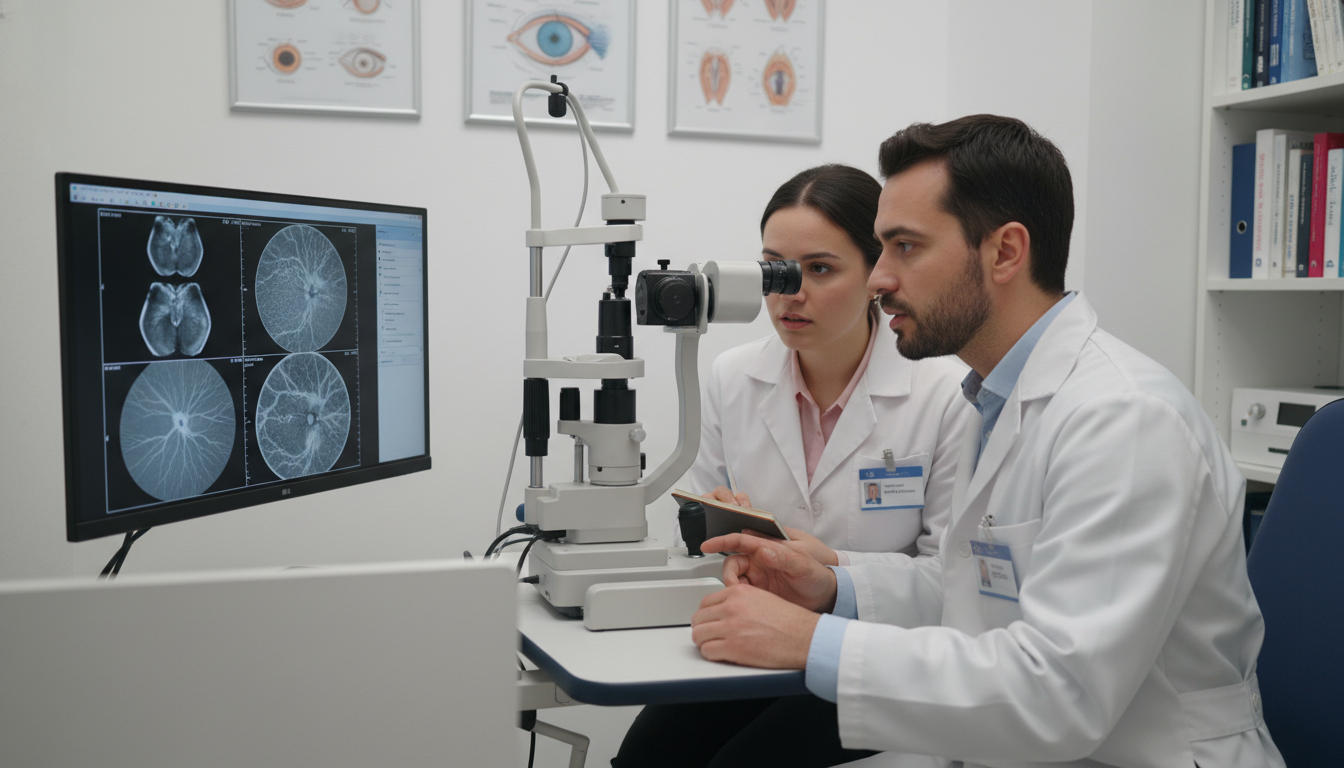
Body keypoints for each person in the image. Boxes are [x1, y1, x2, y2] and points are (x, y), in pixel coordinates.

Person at [688, 115, 1283, 767]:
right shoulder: (997, 397)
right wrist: (833, 587)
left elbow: (1061, 693)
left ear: (1004, 252)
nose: (879, 280)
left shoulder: (1124, 419)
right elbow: (975, 593)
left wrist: (812, 643)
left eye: (905, 248)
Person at [613, 165, 973, 767]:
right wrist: (727, 543)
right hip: (761, 631)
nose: (789, 291)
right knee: (646, 760)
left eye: (820, 269)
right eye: (774, 268)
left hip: (881, 655)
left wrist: (830, 568)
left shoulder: (946, 392)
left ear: (876, 275)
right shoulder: (734, 376)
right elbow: (694, 536)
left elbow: (953, 580)